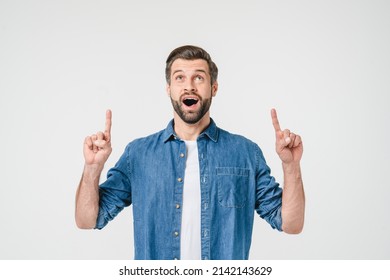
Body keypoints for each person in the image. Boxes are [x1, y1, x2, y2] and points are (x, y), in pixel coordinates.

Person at [75, 45, 305, 260]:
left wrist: (291, 165)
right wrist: (93, 167)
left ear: (213, 88)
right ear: (169, 89)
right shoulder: (139, 154)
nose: (189, 86)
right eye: (179, 78)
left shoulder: (245, 153)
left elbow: (291, 224)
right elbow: (87, 220)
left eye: (199, 77)